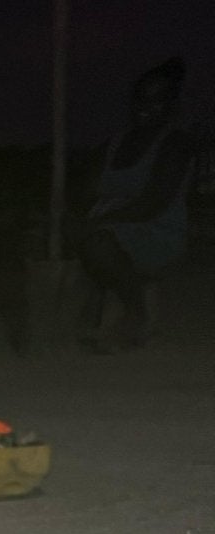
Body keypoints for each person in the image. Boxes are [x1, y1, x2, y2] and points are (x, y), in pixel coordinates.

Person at [75, 58, 199, 351]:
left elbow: (153, 204)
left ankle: (136, 312)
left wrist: (97, 221)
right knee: (65, 232)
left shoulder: (175, 144)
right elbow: (84, 191)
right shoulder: (114, 143)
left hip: (155, 230)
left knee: (98, 242)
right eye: (141, 98)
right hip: (110, 224)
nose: (146, 106)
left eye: (158, 100)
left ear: (172, 105)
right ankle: (91, 316)